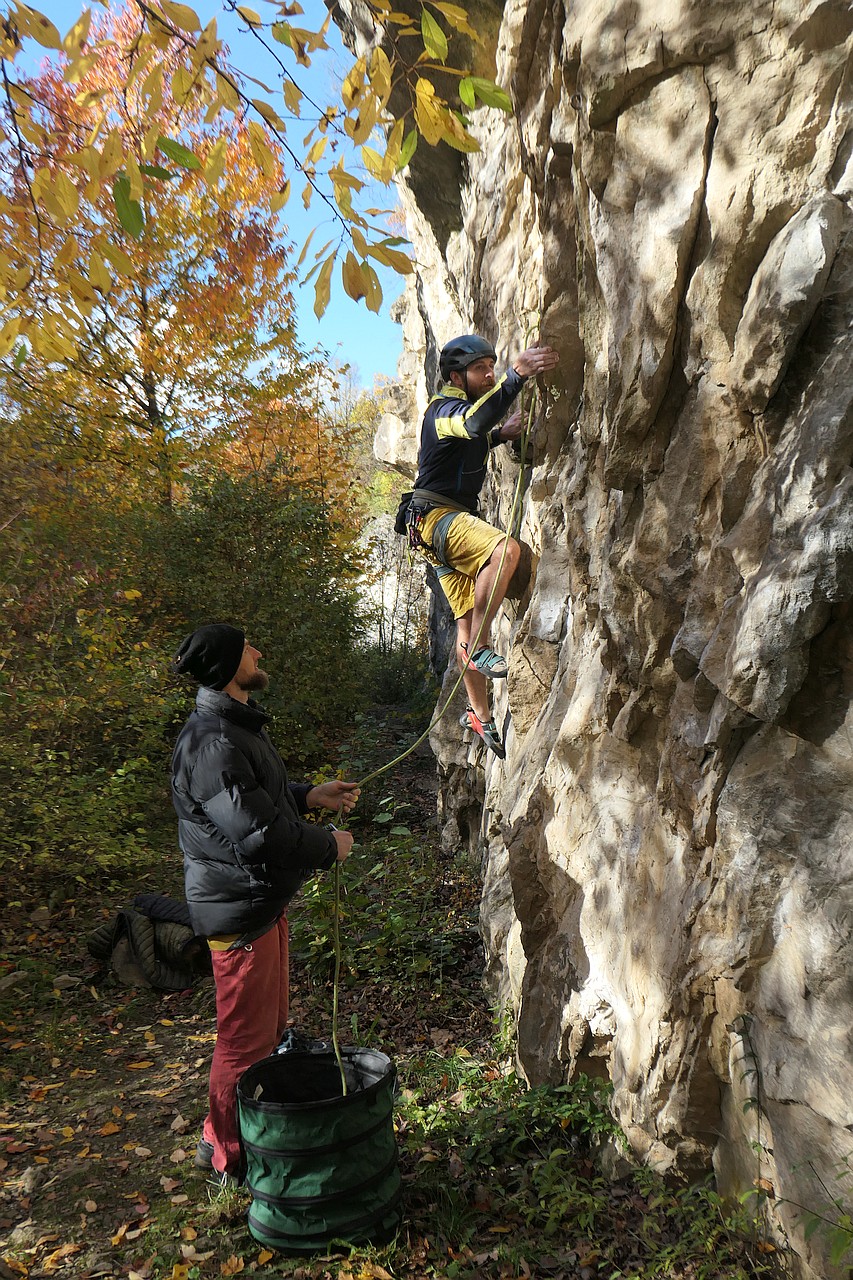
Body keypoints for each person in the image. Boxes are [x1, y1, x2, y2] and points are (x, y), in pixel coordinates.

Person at [170, 623, 359, 1186]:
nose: (257, 651)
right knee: (243, 1042)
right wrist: (327, 845)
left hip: (258, 903)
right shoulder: (212, 743)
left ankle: (230, 1135)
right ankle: (226, 1156)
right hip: (239, 910)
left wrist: (307, 795)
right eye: (247, 647)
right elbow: (257, 835)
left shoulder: (233, 727)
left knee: (267, 1031)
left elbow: (257, 801)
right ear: (229, 666)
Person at [406, 334, 559, 757]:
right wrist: (516, 376)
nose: (489, 375)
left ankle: (480, 716)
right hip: (438, 518)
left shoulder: (454, 417)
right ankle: (481, 646)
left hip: (430, 528)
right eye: (480, 369)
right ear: (456, 377)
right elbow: (471, 424)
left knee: (465, 621)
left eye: (492, 367)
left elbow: (468, 441)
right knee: (505, 551)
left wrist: (500, 436)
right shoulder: (442, 410)